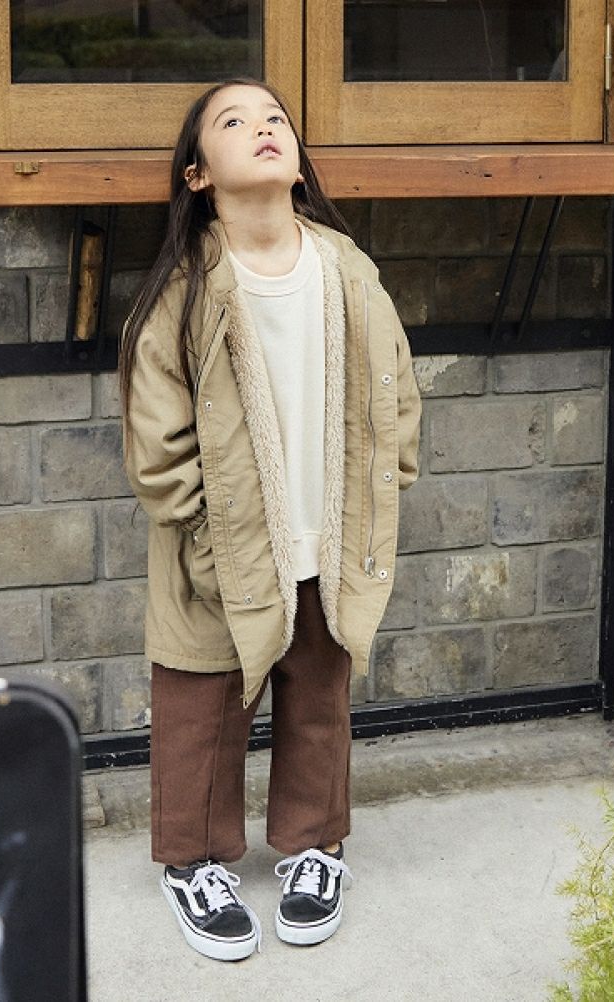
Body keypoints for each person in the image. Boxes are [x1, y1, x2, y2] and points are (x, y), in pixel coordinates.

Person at [120, 78, 421, 962]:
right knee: (201, 702)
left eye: (276, 118)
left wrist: (387, 485)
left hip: (326, 532)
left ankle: (315, 845)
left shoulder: (347, 272)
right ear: (197, 174)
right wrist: (206, 540)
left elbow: (396, 389)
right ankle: (193, 861)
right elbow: (158, 446)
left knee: (320, 694)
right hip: (218, 545)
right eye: (233, 121)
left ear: (296, 160)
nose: (262, 128)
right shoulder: (183, 294)